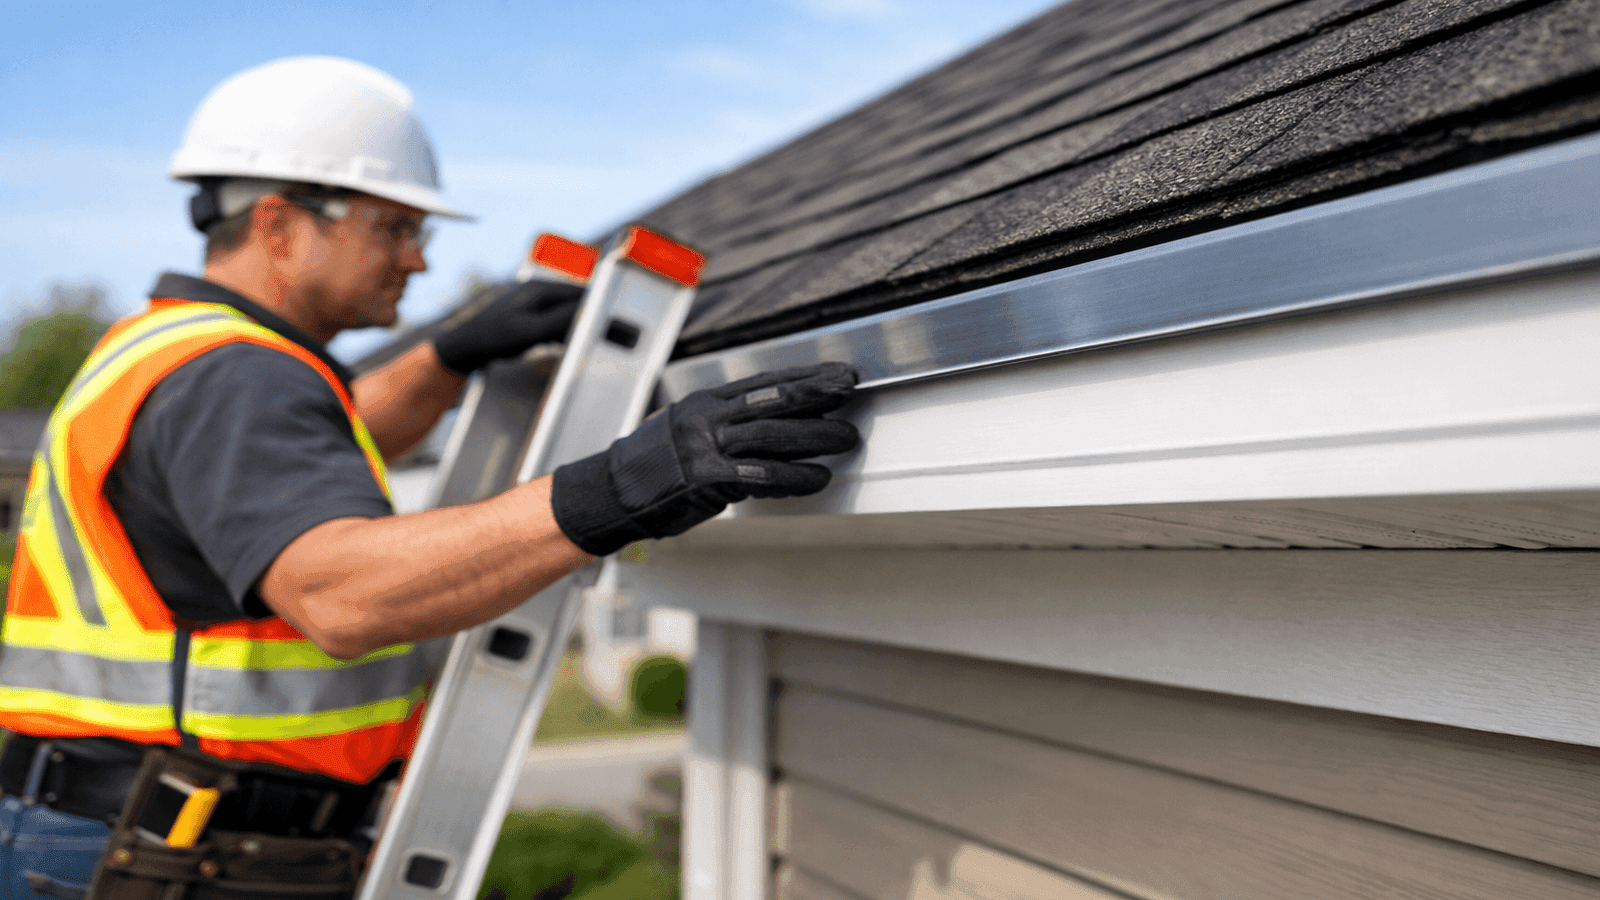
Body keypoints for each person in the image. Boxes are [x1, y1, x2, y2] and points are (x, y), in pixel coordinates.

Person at [0, 57, 857, 899]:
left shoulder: (165, 350)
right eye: (394, 228)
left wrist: (448, 357)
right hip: (173, 856)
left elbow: (292, 468)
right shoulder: (237, 376)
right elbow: (339, 594)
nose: (415, 260)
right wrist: (629, 484)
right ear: (279, 227)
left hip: (113, 828)